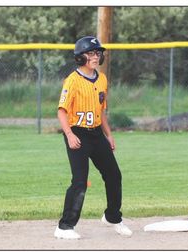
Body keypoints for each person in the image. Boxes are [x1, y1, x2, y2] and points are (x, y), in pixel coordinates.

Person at [54, 36, 132, 240]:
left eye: (97, 53)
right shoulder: (72, 81)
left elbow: (102, 111)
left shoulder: (102, 79)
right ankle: (64, 227)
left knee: (114, 175)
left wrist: (109, 135)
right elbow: (61, 112)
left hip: (97, 134)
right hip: (77, 133)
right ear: (80, 58)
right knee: (79, 181)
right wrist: (69, 134)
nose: (95, 56)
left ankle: (113, 217)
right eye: (90, 53)